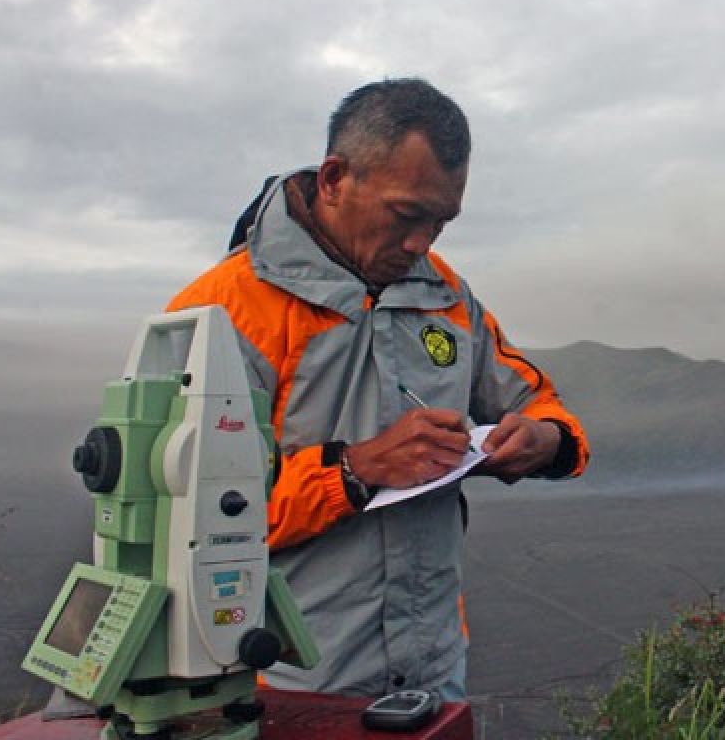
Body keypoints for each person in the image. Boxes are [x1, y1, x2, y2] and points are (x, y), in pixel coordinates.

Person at [168, 79, 590, 700]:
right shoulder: (223, 312)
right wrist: (355, 470)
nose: (422, 243)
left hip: (432, 676)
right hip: (280, 682)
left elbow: (537, 402)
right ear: (336, 178)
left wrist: (545, 440)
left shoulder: (446, 295)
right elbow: (180, 518)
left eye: (441, 222)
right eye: (406, 215)